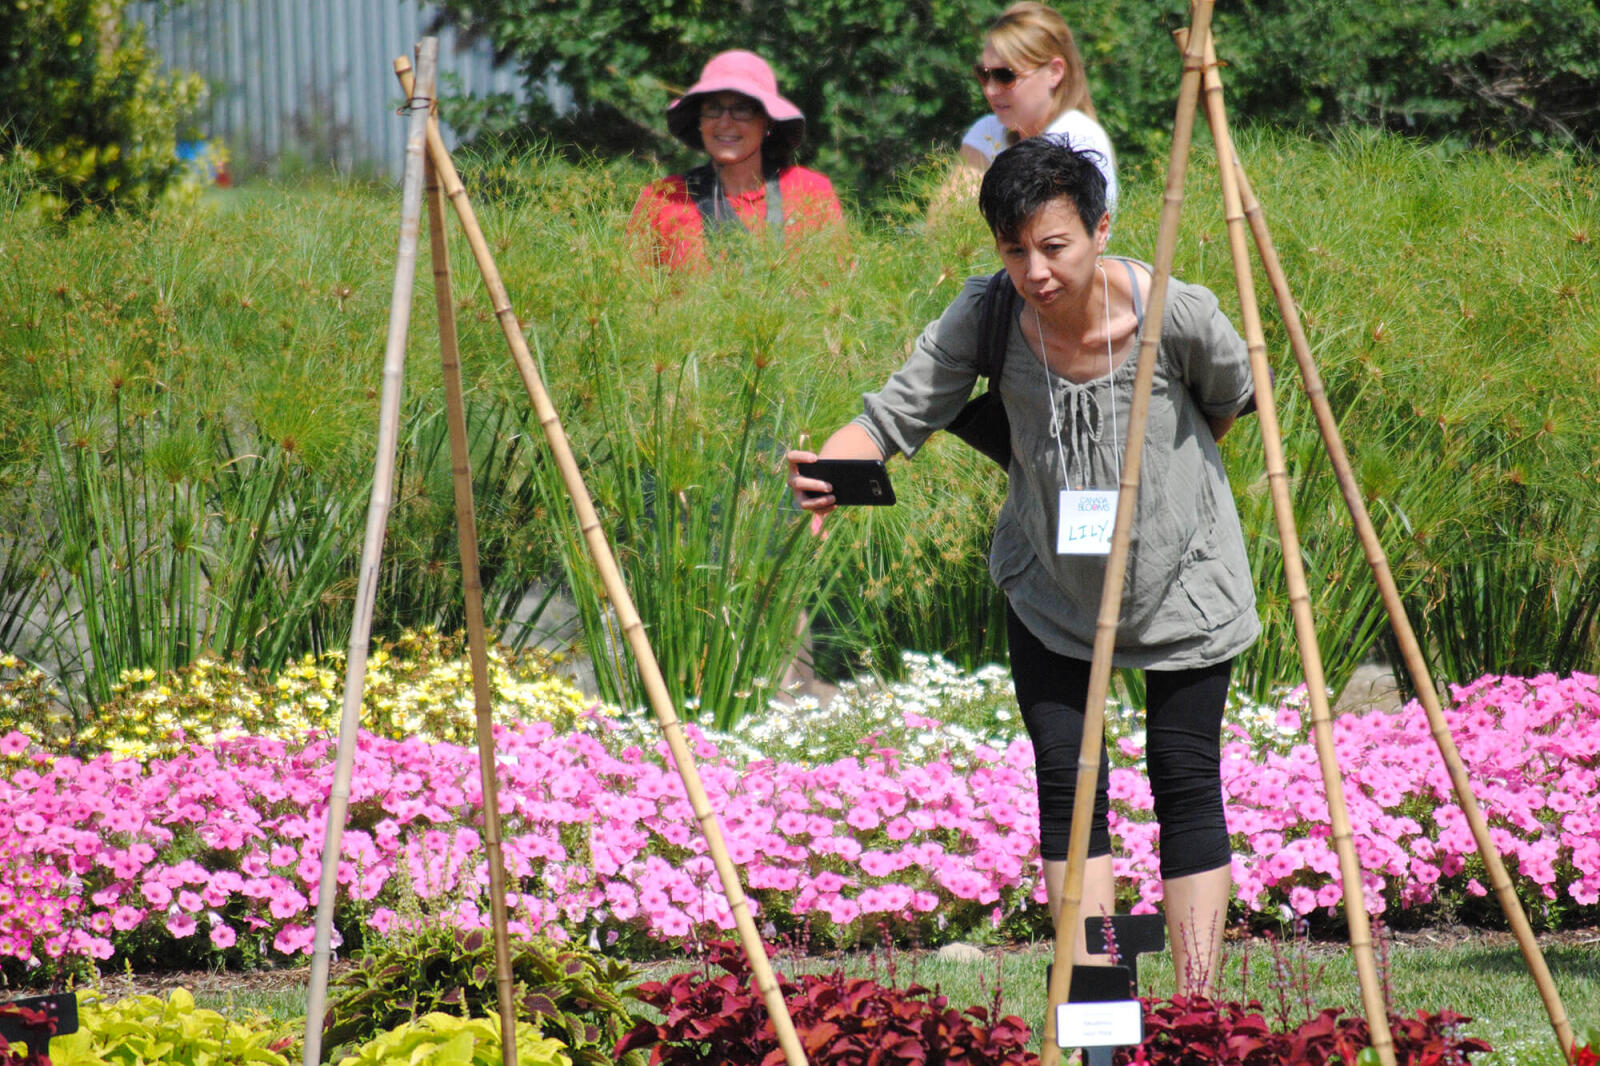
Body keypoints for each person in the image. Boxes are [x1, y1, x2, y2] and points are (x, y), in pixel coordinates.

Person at [786, 137, 1258, 995]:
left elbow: (1226, 406)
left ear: (1099, 229)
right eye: (1014, 251)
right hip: (1049, 581)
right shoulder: (989, 315)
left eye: (1055, 247)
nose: (1035, 271)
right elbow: (893, 417)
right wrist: (831, 471)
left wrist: (1153, 499)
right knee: (1066, 778)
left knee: (1185, 776)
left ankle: (1193, 1009)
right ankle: (1101, 1005)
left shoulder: (1176, 315)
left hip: (1187, 576)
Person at [630, 50, 843, 270]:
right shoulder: (665, 198)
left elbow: (836, 292)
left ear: (768, 122)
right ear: (699, 121)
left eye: (742, 109)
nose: (724, 123)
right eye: (713, 109)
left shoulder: (809, 191)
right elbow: (633, 295)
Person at [951, 2, 1117, 215]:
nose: (991, 90)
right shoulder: (987, 131)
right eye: (984, 74)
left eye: (1005, 75)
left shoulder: (1077, 138)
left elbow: (1043, 235)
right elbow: (944, 223)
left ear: (1054, 72)